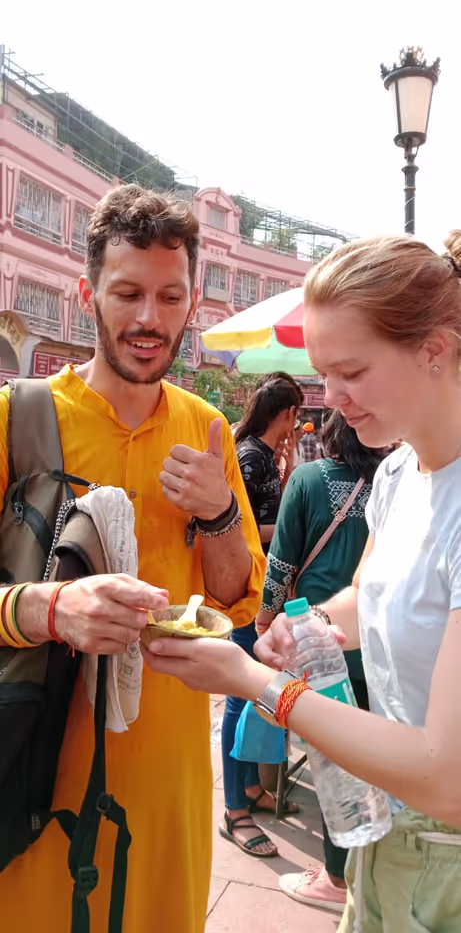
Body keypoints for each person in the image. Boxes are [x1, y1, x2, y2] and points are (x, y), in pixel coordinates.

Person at [144, 231, 461, 933]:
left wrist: (257, 684)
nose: (331, 399)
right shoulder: (403, 472)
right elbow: (368, 593)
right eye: (323, 373)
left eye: (350, 371)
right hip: (386, 840)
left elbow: (446, 775)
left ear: (433, 350)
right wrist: (313, 622)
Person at [0, 184, 265, 933]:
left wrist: (215, 513)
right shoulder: (19, 417)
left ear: (190, 304)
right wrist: (52, 609)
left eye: (169, 296)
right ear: (88, 293)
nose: (149, 319)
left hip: (167, 769)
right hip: (35, 759)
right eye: (127, 293)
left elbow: (236, 599)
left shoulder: (207, 428)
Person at [256, 409, 385, 912]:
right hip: (375, 645)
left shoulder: (308, 479)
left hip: (318, 643)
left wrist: (266, 622)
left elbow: (282, 563)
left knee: (336, 763)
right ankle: (366, 869)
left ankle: (335, 878)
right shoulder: (391, 483)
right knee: (372, 759)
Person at [220, 373, 303, 857]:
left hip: (262, 591)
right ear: (289, 414)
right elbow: (245, 529)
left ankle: (250, 787)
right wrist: (290, 529)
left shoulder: (264, 456)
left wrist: (289, 476)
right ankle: (234, 810)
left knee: (257, 693)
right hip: (249, 595)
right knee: (240, 694)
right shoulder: (249, 455)